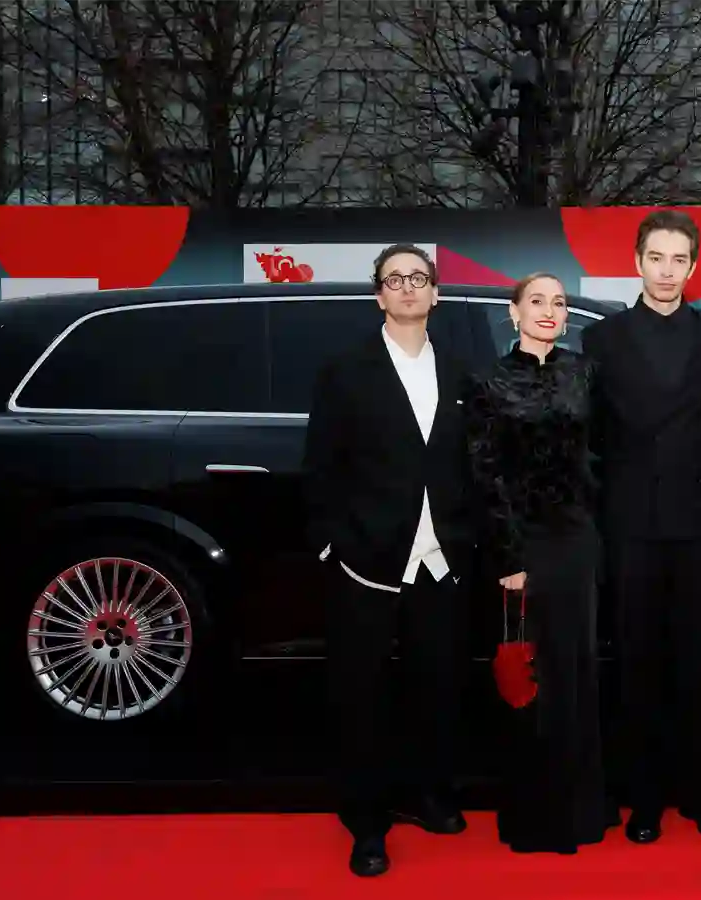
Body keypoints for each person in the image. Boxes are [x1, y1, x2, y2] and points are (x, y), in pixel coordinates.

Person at [302, 244, 475, 878]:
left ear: (435, 293)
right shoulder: (345, 371)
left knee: (438, 687)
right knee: (362, 699)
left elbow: (471, 465)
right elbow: (321, 465)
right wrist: (333, 545)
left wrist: (469, 538)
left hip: (441, 562)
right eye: (394, 279)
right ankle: (366, 822)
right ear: (379, 295)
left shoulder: (460, 371)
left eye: (418, 278)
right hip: (367, 562)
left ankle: (430, 795)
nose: (407, 287)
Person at [579, 210, 701, 844]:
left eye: (679, 260)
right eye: (656, 258)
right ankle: (643, 800)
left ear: (693, 267)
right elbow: (592, 438)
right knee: (637, 666)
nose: (667, 271)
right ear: (637, 262)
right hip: (630, 528)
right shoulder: (602, 340)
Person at [464, 272, 609, 854]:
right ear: (514, 311)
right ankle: (535, 816)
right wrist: (509, 554)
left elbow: (598, 456)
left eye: (559, 302)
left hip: (578, 540)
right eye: (537, 301)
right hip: (523, 546)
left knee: (578, 668)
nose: (550, 310)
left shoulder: (583, 373)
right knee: (530, 673)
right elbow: (485, 473)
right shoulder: (488, 380)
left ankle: (582, 810)